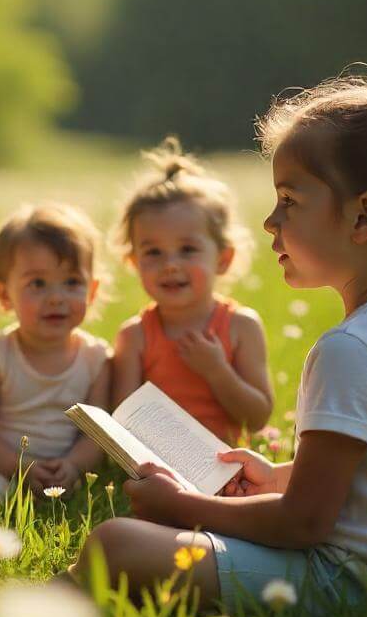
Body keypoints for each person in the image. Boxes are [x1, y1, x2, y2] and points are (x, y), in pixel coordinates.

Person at [76, 66, 367, 614]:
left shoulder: (353, 350)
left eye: (290, 200)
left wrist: (181, 504)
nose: (269, 221)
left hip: (364, 589)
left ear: (364, 217)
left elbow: (303, 523)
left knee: (116, 544)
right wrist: (277, 475)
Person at [111, 137, 272, 442]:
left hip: (225, 466)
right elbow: (123, 422)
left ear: (223, 259)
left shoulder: (240, 326)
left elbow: (257, 418)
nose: (170, 264)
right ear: (134, 262)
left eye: (187, 249)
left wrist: (217, 371)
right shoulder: (135, 337)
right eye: (153, 252)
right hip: (155, 467)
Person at [0, 204, 111, 507]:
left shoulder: (95, 359)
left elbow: (96, 435)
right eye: (37, 284)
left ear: (91, 291)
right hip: (1, 469)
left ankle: (52, 491)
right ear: (3, 294)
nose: (56, 297)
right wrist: (20, 468)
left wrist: (74, 466)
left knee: (80, 493)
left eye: (72, 283)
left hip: (64, 475)